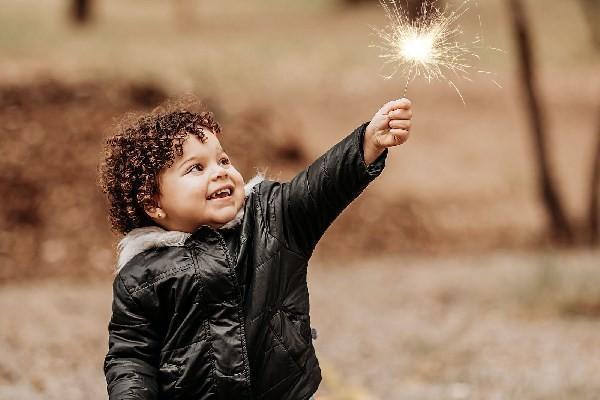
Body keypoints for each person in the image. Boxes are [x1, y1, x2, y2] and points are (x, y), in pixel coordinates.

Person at [99, 97, 413, 400]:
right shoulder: (141, 275)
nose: (219, 170)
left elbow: (320, 187)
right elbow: (131, 356)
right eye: (196, 168)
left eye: (222, 160)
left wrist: (367, 143)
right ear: (154, 204)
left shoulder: (271, 217)